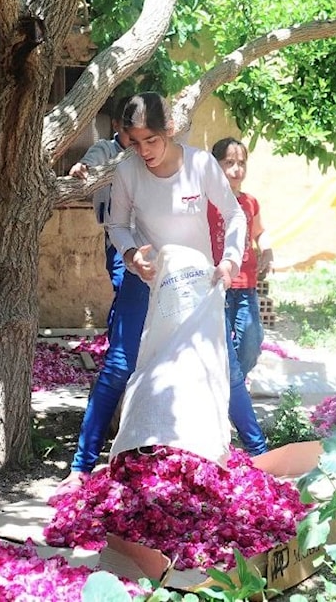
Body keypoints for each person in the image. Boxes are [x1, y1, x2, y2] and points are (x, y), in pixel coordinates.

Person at [58, 93, 268, 492]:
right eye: (134, 142)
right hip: (148, 280)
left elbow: (235, 213)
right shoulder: (128, 171)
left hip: (199, 283)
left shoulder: (201, 164)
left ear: (169, 131)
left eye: (151, 140)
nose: (144, 151)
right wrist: (133, 255)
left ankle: (259, 454)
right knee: (119, 365)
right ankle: (81, 467)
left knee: (226, 367)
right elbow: (117, 226)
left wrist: (229, 260)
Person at [208, 138, 274, 380]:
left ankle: (233, 379)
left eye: (242, 163)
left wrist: (267, 251)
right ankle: (227, 387)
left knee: (251, 342)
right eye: (230, 162)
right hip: (216, 287)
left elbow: (259, 232)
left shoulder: (249, 202)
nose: (238, 169)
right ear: (215, 166)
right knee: (219, 342)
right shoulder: (206, 201)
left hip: (246, 286)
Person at [68, 98, 131, 331]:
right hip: (117, 236)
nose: (133, 136)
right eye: (127, 129)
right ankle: (118, 344)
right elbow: (89, 163)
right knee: (123, 285)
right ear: (115, 125)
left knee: (137, 296)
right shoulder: (105, 149)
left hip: (147, 234)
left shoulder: (146, 152)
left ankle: (125, 344)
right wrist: (82, 167)